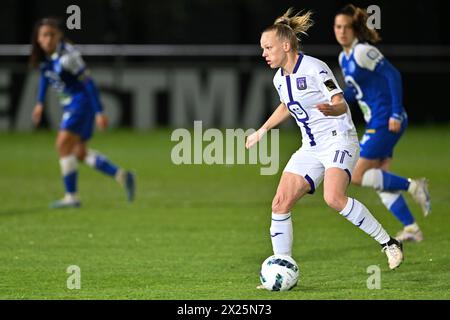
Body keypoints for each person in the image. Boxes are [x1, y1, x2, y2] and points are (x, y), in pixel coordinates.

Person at [246, 8, 404, 278]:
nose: (264, 53)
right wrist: (262, 130)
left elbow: (339, 101)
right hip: (311, 147)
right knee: (280, 203)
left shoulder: (315, 67)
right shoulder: (278, 78)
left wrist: (334, 108)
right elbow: (286, 105)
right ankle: (281, 269)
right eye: (263, 48)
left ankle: (389, 243)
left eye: (268, 47)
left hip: (339, 140)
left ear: (286, 46)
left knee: (334, 198)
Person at [333, 4, 431, 242]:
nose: (342, 31)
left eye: (347, 27)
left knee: (355, 175)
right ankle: (411, 227)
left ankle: (414, 186)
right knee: (379, 179)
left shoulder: (362, 52)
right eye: (338, 27)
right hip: (376, 120)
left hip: (386, 119)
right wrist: (332, 102)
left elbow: (393, 75)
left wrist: (396, 113)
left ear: (355, 30)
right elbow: (354, 92)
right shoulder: (344, 58)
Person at [30, 18, 135, 208]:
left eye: (51, 35)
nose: (48, 39)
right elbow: (46, 78)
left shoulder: (69, 57)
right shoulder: (47, 58)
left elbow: (89, 83)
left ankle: (71, 197)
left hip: (80, 105)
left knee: (62, 145)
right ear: (38, 39)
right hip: (71, 106)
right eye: (44, 35)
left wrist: (99, 111)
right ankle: (123, 176)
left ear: (59, 35)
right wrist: (39, 103)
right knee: (79, 153)